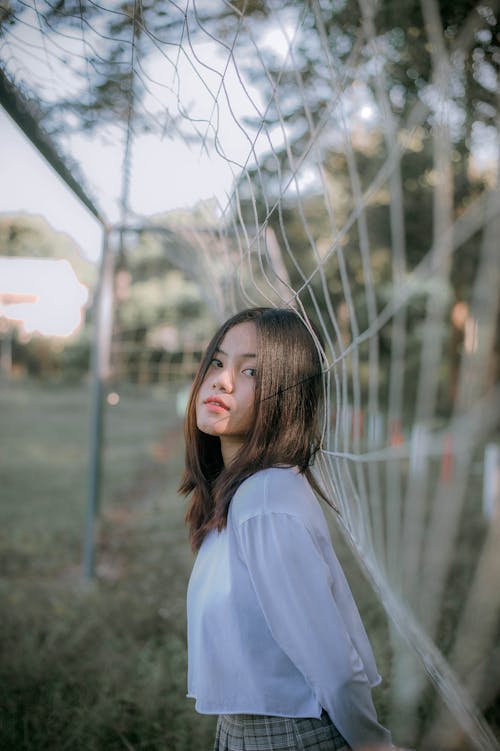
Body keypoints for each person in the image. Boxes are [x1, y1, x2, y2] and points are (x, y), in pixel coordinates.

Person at [179, 307, 395, 751]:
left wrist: (376, 747)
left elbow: (332, 665)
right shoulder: (242, 490)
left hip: (292, 736)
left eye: (251, 370)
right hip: (245, 731)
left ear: (286, 393)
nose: (223, 381)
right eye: (217, 363)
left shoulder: (266, 497)